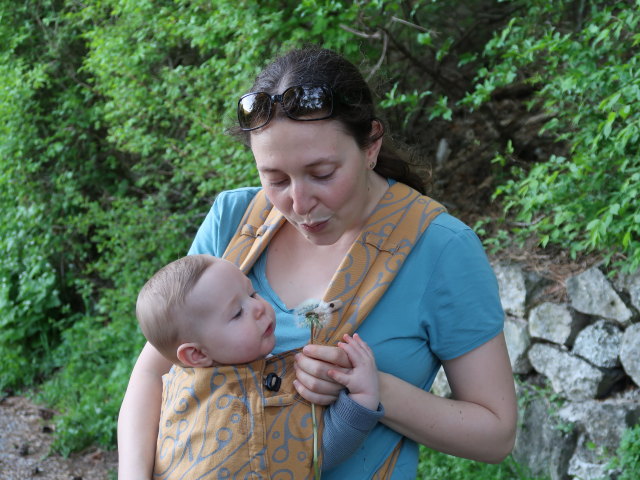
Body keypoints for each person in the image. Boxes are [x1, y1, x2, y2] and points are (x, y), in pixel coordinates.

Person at [118, 45, 517, 479]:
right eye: (275, 179)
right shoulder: (233, 221)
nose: (299, 203)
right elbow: (154, 371)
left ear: (371, 146)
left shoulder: (441, 249)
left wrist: (377, 391)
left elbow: (495, 435)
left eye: (323, 174)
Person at [135, 253, 383, 476]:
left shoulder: (275, 388)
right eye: (237, 313)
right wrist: (363, 397)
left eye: (252, 293)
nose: (258, 307)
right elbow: (320, 454)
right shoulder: (192, 401)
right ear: (196, 355)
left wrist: (362, 395)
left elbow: (315, 450)